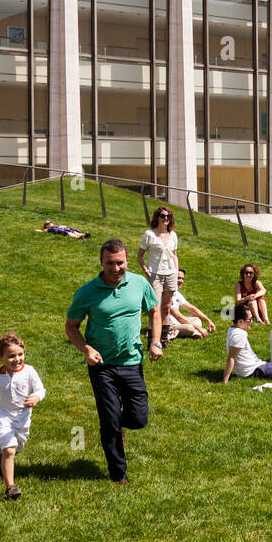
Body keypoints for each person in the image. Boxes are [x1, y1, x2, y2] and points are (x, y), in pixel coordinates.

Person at [65, 238, 162, 485]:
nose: (116, 268)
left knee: (139, 419)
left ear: (127, 261)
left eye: (120, 263)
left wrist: (155, 342)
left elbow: (154, 311)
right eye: (111, 263)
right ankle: (118, 474)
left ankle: (119, 425)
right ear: (101, 262)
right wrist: (86, 349)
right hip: (101, 366)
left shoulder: (139, 284)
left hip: (131, 362)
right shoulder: (87, 292)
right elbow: (71, 327)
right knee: (109, 420)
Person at [0, 331, 46, 500]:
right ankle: (10, 487)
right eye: (11, 356)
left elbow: (40, 389)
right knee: (9, 449)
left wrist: (35, 398)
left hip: (22, 417)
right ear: (0, 357)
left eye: (20, 354)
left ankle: (3, 458)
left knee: (17, 447)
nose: (17, 359)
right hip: (3, 416)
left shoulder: (29, 372)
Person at [138, 208, 179, 346]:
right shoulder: (149, 234)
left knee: (166, 307)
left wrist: (176, 271)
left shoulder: (173, 235)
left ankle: (164, 338)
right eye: (163, 216)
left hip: (170, 274)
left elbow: (174, 255)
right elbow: (139, 255)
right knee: (154, 307)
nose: (166, 218)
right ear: (157, 217)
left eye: (168, 216)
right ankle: (151, 339)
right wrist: (146, 270)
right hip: (155, 274)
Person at [167, 267, 217, 339]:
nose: (181, 281)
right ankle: (194, 332)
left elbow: (191, 308)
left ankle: (194, 332)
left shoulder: (176, 293)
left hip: (177, 323)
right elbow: (178, 316)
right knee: (189, 328)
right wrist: (199, 328)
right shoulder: (166, 294)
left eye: (182, 279)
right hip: (168, 325)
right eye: (178, 278)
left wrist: (208, 320)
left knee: (197, 319)